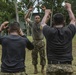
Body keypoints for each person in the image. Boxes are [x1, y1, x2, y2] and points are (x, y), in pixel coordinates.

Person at [41, 3, 76, 75]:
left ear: (53, 22)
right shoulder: (69, 31)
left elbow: (42, 23)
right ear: (64, 22)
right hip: (67, 66)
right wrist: (69, 9)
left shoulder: (49, 31)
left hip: (52, 66)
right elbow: (73, 20)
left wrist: (46, 13)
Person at [24, 7, 46, 74]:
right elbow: (26, 18)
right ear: (34, 19)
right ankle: (35, 69)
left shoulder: (42, 23)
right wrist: (29, 11)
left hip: (41, 42)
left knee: (42, 56)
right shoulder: (32, 23)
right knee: (34, 56)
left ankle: (42, 69)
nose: (37, 19)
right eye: (36, 18)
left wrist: (45, 11)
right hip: (34, 42)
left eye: (38, 18)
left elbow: (48, 17)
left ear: (40, 19)